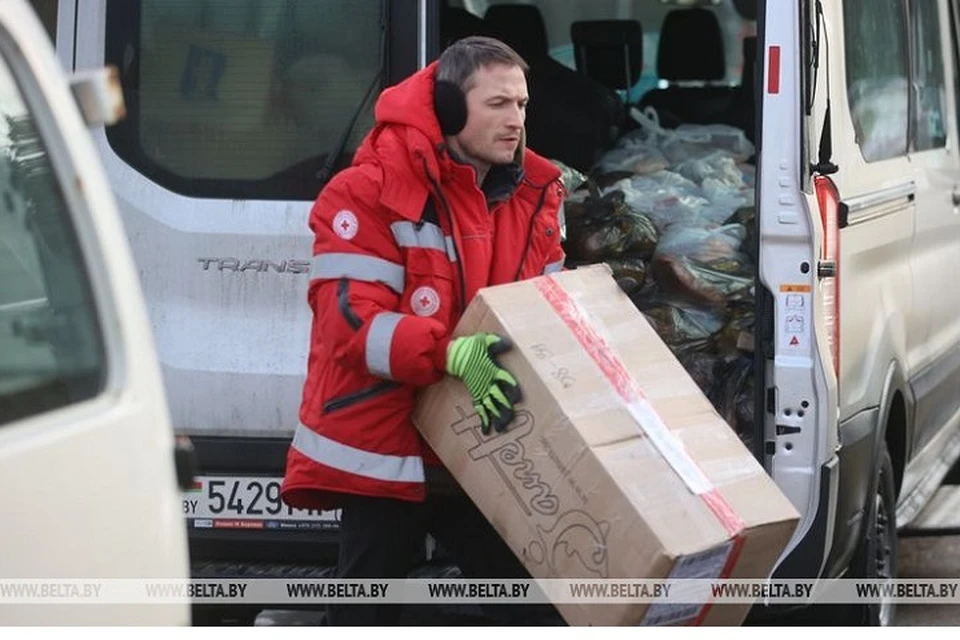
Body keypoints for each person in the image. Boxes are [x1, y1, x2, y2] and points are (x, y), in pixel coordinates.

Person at [281, 36, 566, 626]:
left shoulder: (535, 194)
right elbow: (349, 323)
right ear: (449, 107)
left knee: (532, 609)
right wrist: (450, 354)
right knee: (365, 613)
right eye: (497, 105)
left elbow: (550, 311)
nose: (516, 120)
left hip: (481, 444)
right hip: (386, 447)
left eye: (522, 104)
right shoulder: (368, 192)